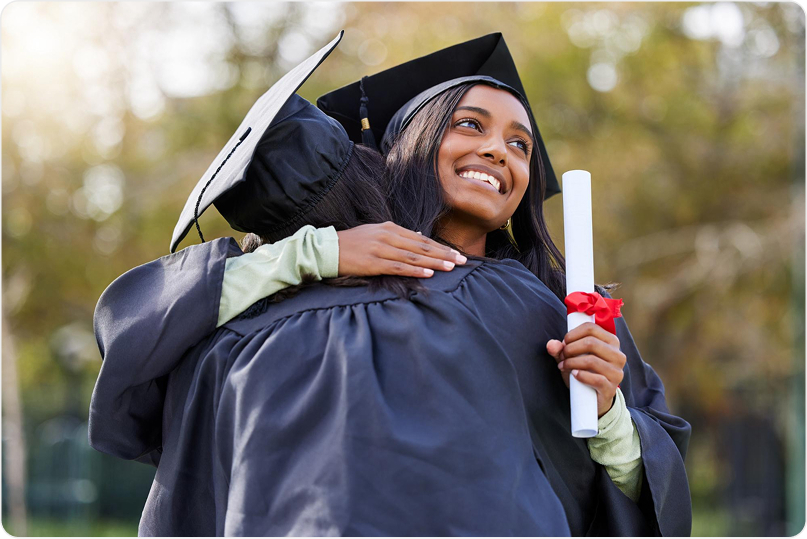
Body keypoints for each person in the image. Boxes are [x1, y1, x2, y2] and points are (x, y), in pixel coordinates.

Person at [90, 33, 691, 536]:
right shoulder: (291, 300)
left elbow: (648, 492)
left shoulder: (560, 314)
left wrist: (606, 414)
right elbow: (153, 351)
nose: (497, 150)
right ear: (408, 144)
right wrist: (313, 253)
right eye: (469, 125)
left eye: (520, 144)